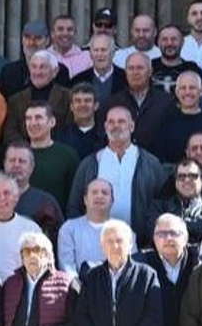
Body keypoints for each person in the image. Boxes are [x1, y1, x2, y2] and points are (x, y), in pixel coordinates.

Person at [66, 105, 166, 247]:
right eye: (111, 122)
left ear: (132, 126)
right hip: (96, 245)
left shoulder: (151, 164)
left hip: (139, 245)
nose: (116, 126)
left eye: (121, 121)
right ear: (105, 126)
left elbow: (162, 206)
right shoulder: (90, 164)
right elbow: (74, 206)